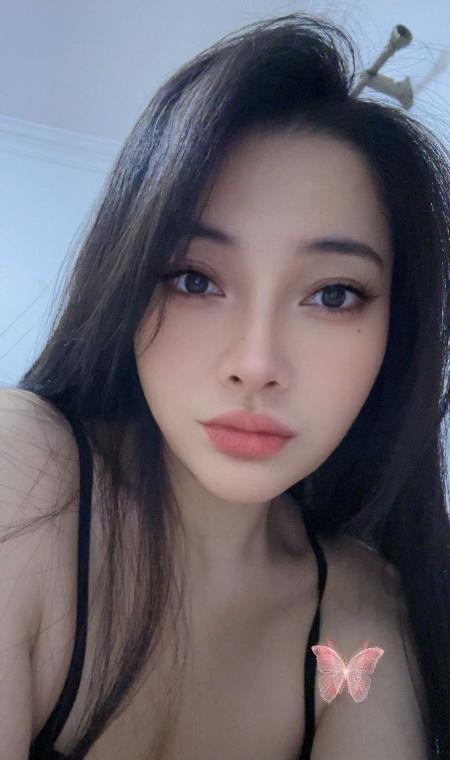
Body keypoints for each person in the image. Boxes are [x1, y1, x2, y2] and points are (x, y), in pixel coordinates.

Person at [0, 12, 448, 760]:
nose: (256, 362)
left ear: (394, 336)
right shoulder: (23, 476)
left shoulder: (357, 602)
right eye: (194, 279)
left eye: (333, 294)